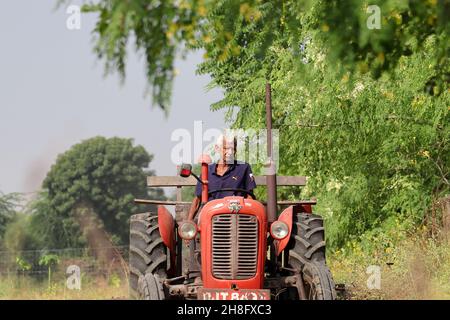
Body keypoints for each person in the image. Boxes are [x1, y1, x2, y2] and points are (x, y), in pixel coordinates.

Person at [186, 134, 257, 221]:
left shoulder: (243, 168)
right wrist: (188, 222)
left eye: (232, 148)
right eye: (226, 148)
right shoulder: (207, 171)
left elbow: (250, 198)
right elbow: (197, 199)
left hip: (237, 217)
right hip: (212, 218)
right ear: (217, 148)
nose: (230, 152)